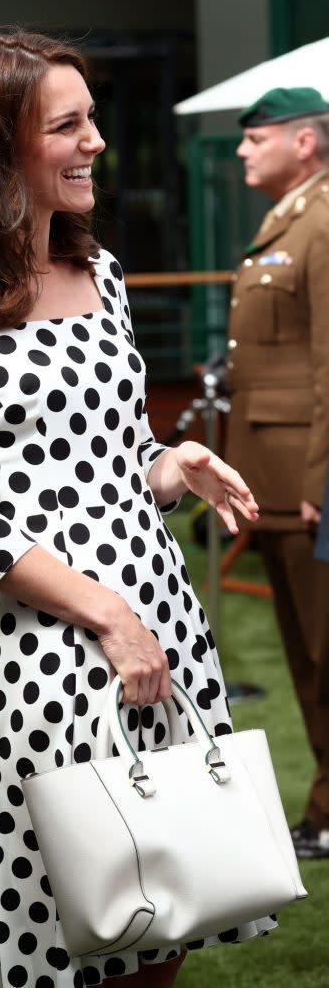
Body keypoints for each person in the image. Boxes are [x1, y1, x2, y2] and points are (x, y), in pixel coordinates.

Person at [0, 30, 270, 988]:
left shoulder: (103, 276)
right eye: (68, 125)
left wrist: (171, 461)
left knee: (178, 899)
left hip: (163, 620)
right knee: (80, 928)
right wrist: (105, 614)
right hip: (62, 646)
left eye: (92, 117)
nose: (96, 140)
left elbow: (101, 461)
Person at [226, 85, 329, 861]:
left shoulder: (322, 221)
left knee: (325, 652)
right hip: (275, 473)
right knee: (303, 652)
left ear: (304, 142)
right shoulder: (287, 219)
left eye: (255, 137)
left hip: (307, 481)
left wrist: (322, 480)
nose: (241, 150)